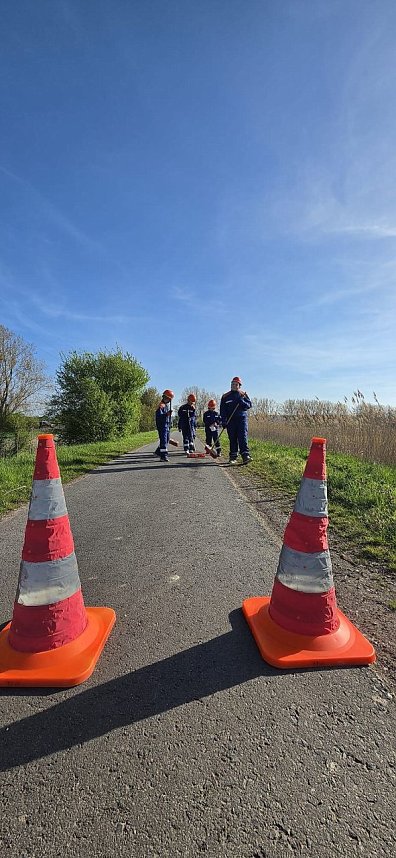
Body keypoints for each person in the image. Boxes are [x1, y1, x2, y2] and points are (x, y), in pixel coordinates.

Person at [220, 376, 252, 465]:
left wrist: (242, 402)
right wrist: (223, 421)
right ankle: (233, 457)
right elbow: (223, 410)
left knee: (242, 437)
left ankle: (245, 456)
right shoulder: (225, 396)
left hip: (242, 419)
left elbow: (249, 405)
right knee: (232, 438)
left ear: (239, 385)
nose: (234, 385)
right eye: (232, 384)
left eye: (236, 384)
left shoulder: (243, 394)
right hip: (231, 421)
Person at [155, 389, 174, 462]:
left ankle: (158, 452)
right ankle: (163, 456)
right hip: (162, 425)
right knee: (163, 440)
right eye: (168, 399)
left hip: (166, 425)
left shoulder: (166, 405)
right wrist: (166, 414)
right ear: (165, 397)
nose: (169, 400)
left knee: (166, 439)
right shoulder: (161, 405)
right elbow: (159, 416)